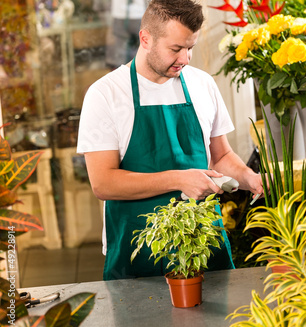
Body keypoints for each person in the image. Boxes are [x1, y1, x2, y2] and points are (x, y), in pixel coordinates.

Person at [76, 0, 264, 281]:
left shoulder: (202, 84)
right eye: (176, 49)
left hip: (203, 242)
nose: (185, 59)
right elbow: (103, 183)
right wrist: (179, 179)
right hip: (138, 250)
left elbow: (221, 157)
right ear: (146, 39)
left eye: (190, 48)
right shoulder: (106, 95)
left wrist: (252, 179)